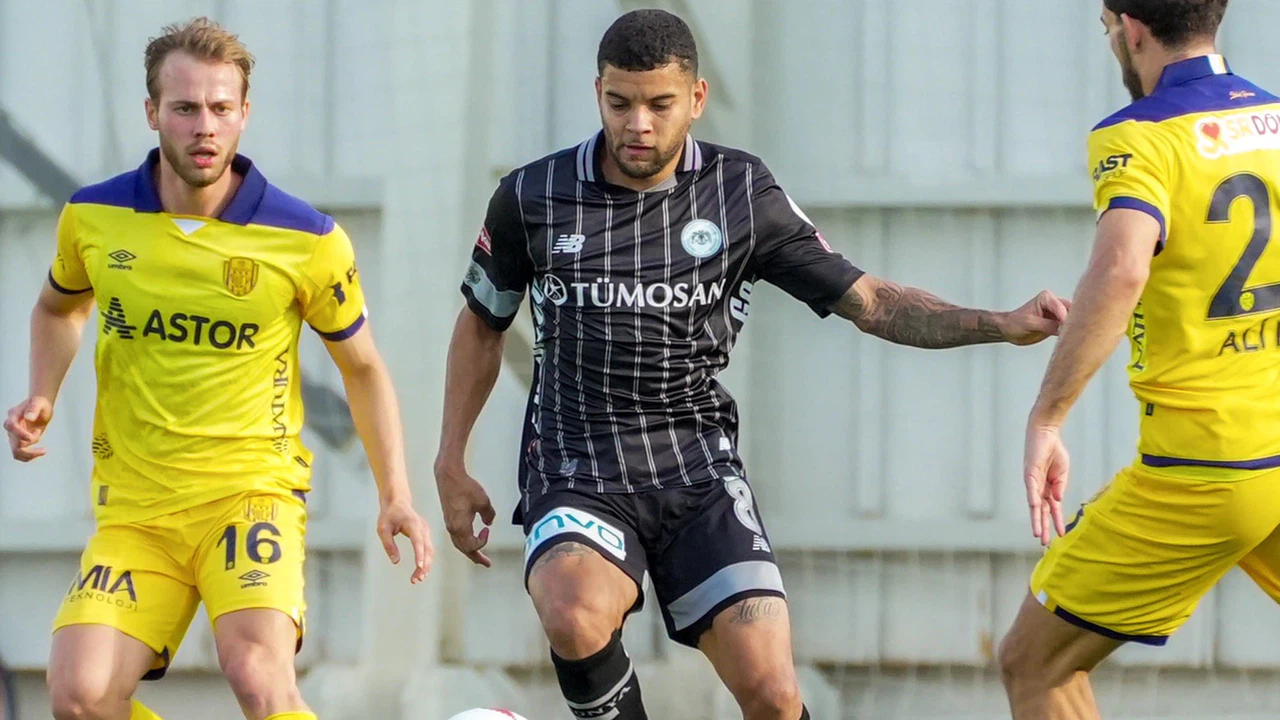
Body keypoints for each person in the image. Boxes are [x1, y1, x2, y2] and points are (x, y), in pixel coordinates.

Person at [435, 9, 1067, 720]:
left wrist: (1002, 323)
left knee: (772, 691)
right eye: (619, 103)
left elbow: (872, 302)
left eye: (660, 105)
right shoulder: (533, 196)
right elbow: (481, 323)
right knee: (573, 612)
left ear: (696, 99)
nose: (638, 124)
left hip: (697, 471)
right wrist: (451, 459)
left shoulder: (739, 192)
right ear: (598, 93)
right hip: (578, 467)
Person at [2, 18, 433, 720]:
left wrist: (396, 493)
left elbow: (362, 368)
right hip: (136, 513)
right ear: (152, 113)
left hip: (250, 495)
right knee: (79, 696)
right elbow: (59, 308)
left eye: (220, 108)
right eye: (185, 108)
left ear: (244, 113)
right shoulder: (93, 218)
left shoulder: (307, 239)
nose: (204, 126)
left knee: (257, 675)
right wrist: (42, 395)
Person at [998, 1, 1280, 717]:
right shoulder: (1275, 120)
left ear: (1130, 28)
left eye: (1106, 31)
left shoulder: (1138, 133)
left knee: (1036, 664)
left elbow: (1123, 268)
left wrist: (1047, 417)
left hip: (1206, 470)